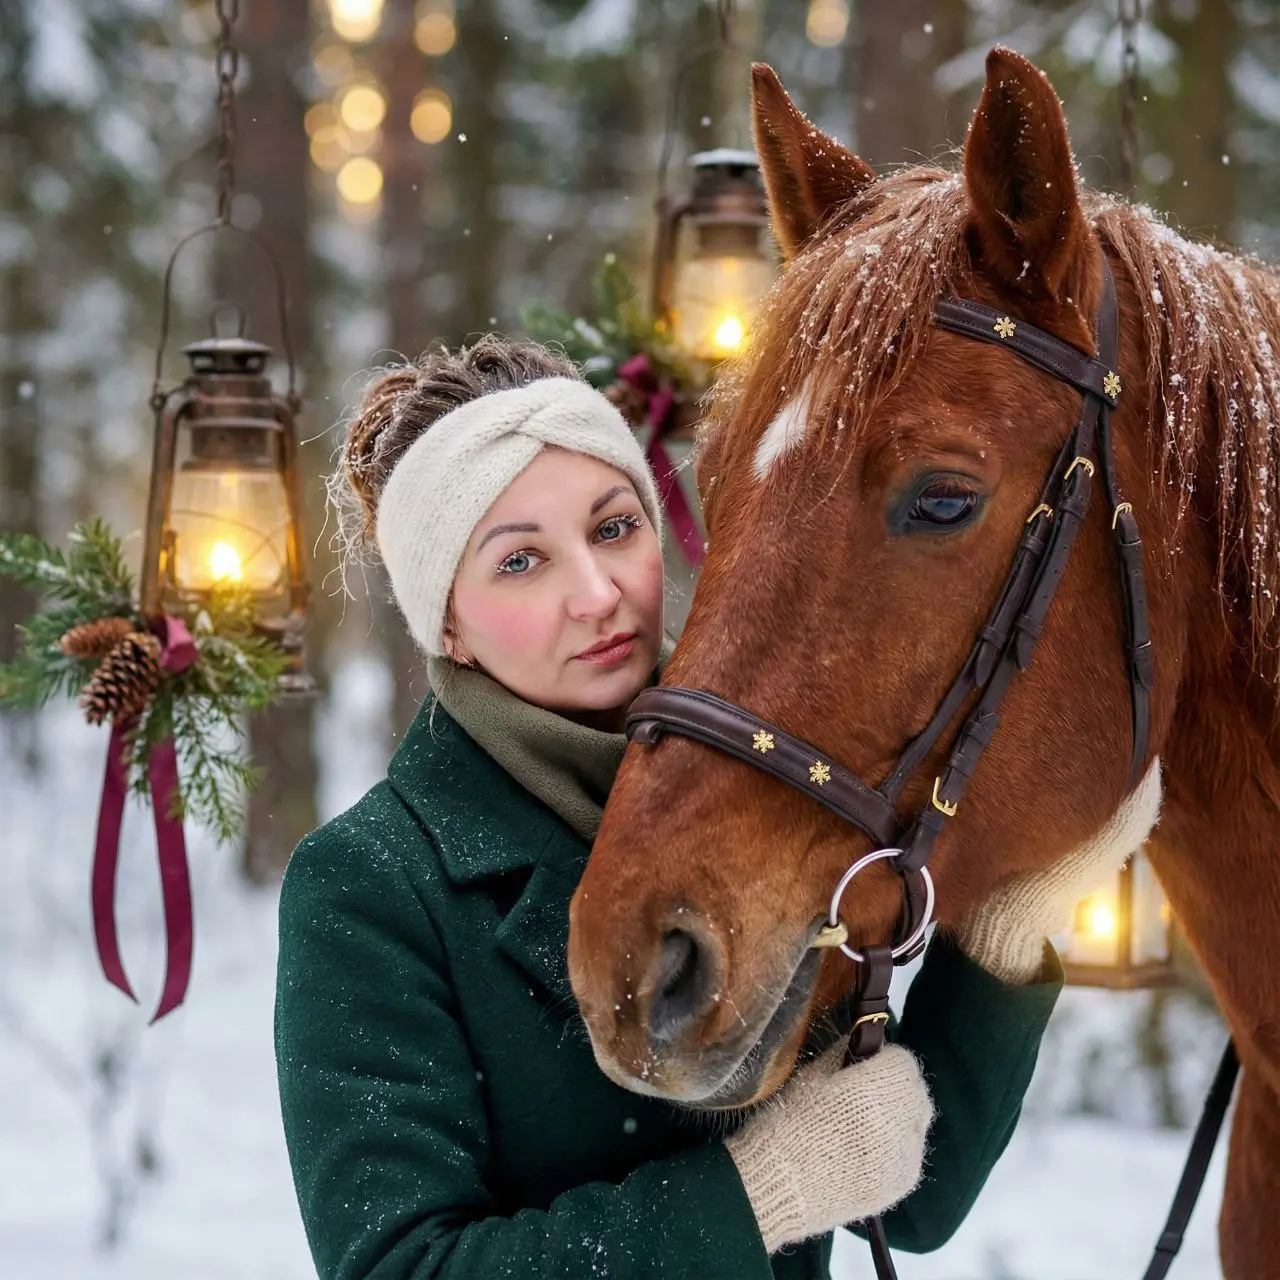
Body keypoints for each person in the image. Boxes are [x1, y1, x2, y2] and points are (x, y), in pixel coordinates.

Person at [274, 335, 1162, 1280]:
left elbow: (912, 1198)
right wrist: (762, 1192)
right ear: (444, 617)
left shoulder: (763, 790)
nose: (597, 593)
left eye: (613, 528)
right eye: (521, 562)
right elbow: (397, 1267)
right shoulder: (369, 887)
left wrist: (1008, 924)